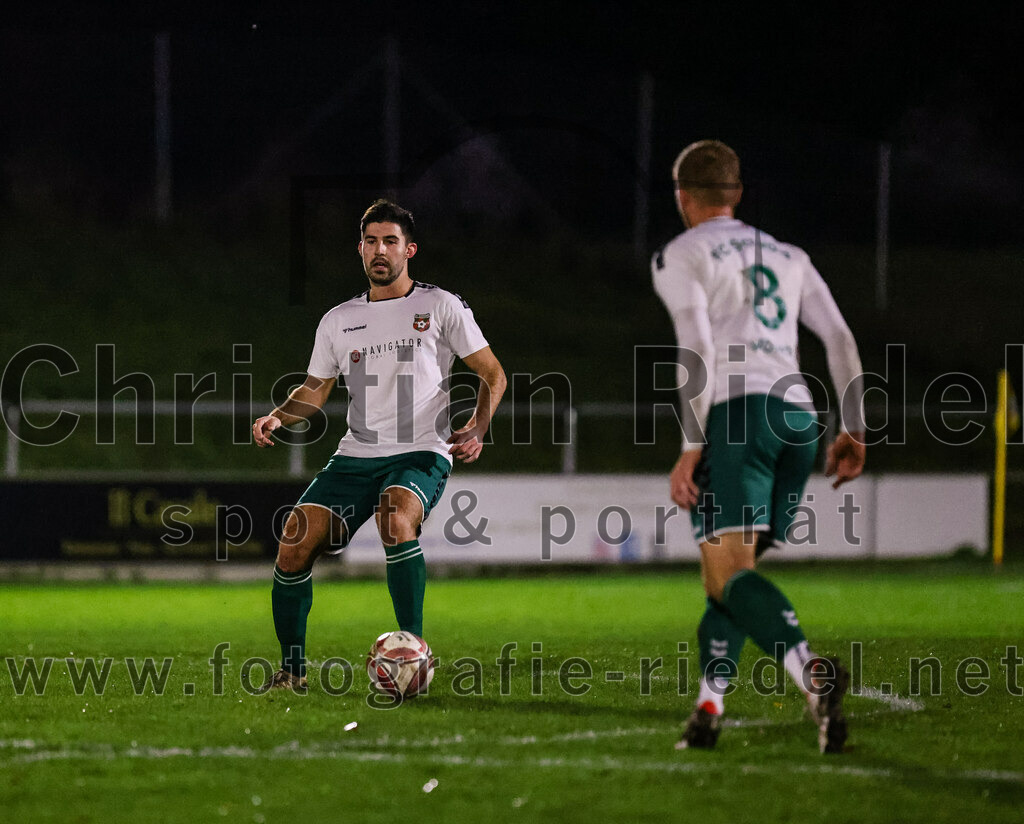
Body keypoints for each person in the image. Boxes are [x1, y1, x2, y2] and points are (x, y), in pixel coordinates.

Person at [652, 140, 866, 753]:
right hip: (799, 420)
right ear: (738, 194)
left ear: (682, 197)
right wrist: (853, 427)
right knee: (729, 581)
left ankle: (812, 676)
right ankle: (708, 710)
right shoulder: (789, 255)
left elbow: (697, 346)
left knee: (729, 576)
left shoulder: (681, 254)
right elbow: (840, 339)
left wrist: (692, 444)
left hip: (739, 417)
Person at [253, 199, 506, 692]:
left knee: (395, 518)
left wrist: (478, 426)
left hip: (421, 450)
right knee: (294, 542)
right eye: (371, 241)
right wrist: (277, 416)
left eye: (390, 241)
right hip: (356, 455)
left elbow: (492, 373)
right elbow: (315, 389)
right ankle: (292, 672)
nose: (380, 250)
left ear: (409, 250)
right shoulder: (339, 319)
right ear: (360, 249)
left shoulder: (441, 306)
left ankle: (413, 654)